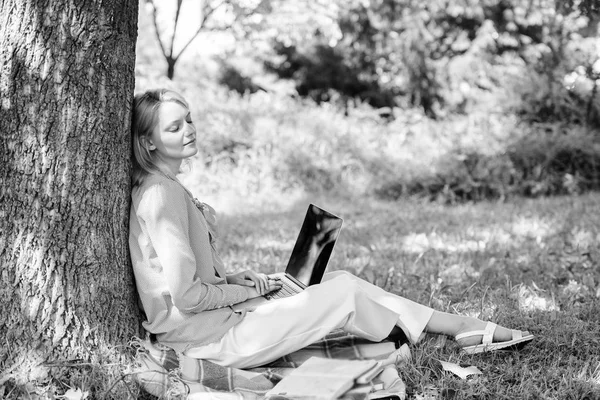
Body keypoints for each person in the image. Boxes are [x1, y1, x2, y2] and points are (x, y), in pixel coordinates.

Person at [129, 89, 534, 369]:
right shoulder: (160, 195)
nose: (190, 130)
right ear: (148, 143)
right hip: (208, 342)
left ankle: (457, 328)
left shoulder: (169, 188)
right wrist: (253, 291)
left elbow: (191, 277)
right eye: (175, 127)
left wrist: (237, 278)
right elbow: (186, 296)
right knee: (340, 293)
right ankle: (405, 338)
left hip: (223, 323)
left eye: (190, 120)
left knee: (337, 278)